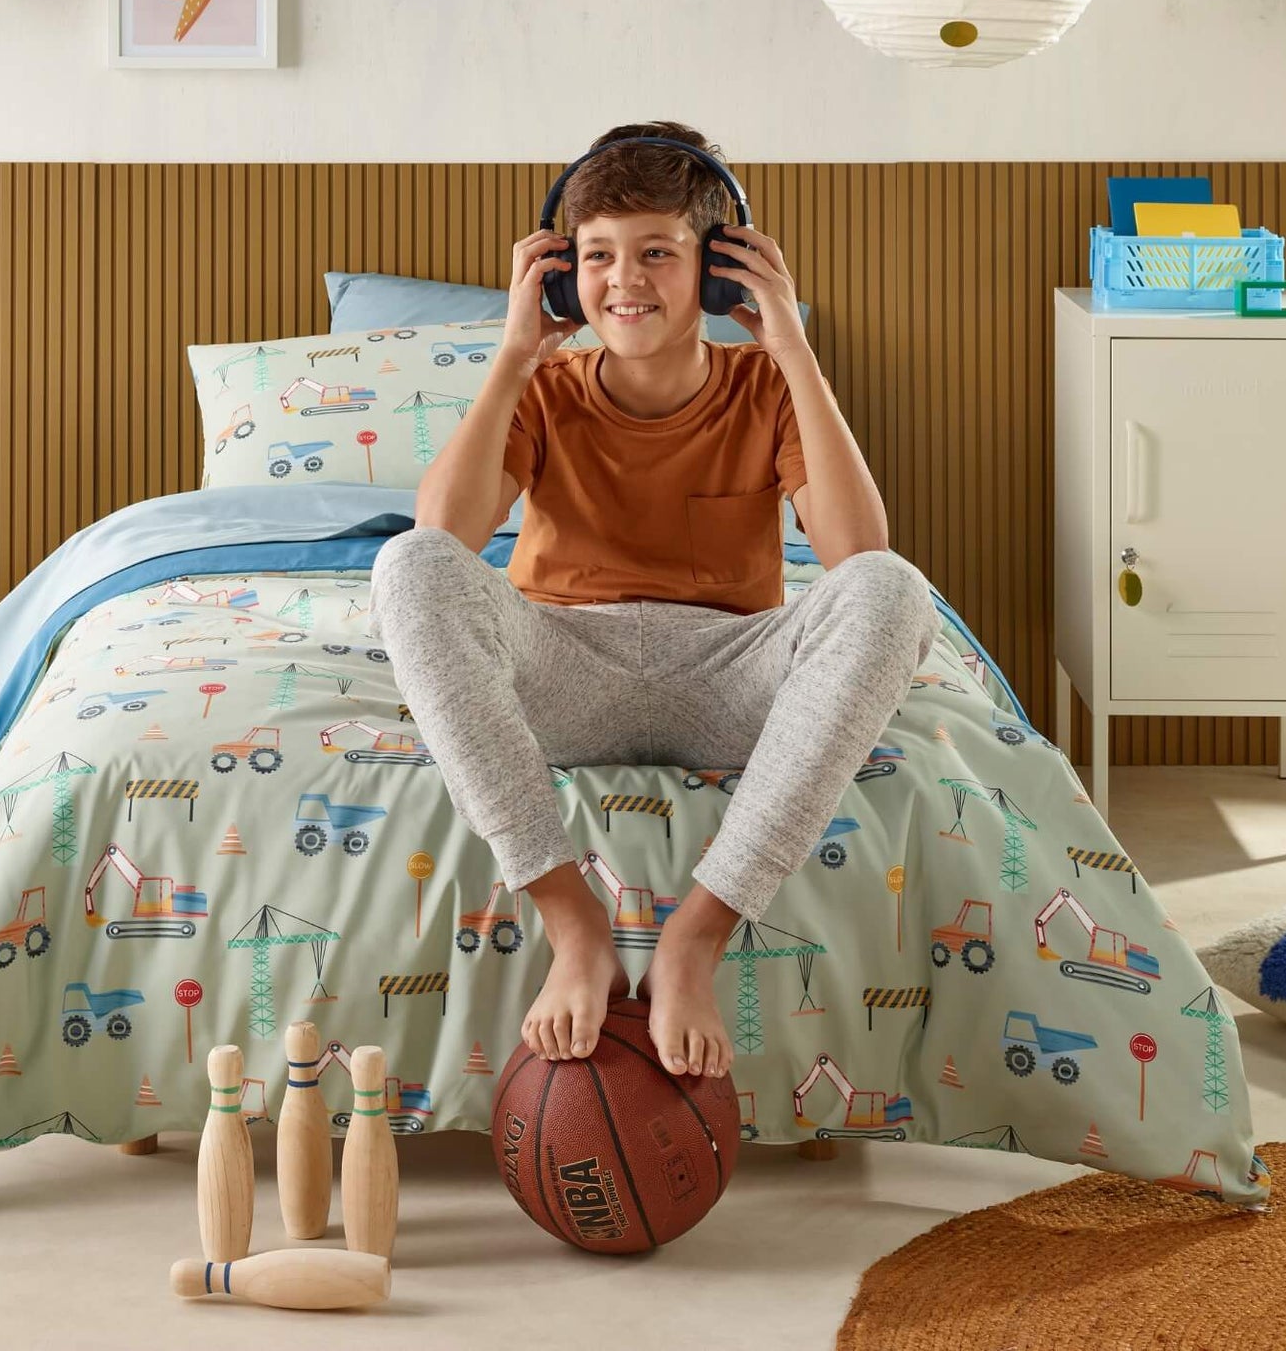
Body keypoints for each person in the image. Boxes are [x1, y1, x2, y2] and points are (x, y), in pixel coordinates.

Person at [368, 122, 937, 1081]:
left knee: (894, 587)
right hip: (560, 674)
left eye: (658, 254)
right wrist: (510, 358)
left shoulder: (767, 385)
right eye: (596, 257)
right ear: (561, 275)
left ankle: (697, 937)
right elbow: (445, 537)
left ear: (720, 274)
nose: (624, 281)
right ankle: (573, 922)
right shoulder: (543, 388)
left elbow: (855, 554)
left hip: (732, 683)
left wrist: (794, 349)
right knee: (406, 566)